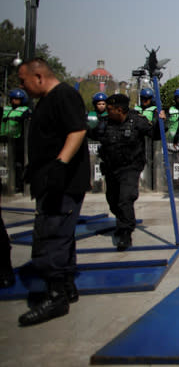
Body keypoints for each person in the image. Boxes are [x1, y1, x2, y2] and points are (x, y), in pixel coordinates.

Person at [17, 58, 90, 326]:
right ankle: (67, 286)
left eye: (23, 81)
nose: (21, 87)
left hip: (62, 183)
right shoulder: (46, 100)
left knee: (51, 237)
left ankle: (55, 295)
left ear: (38, 76)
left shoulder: (64, 96)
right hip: (49, 180)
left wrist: (60, 164)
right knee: (60, 235)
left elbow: (78, 130)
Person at [88, 94, 160, 251]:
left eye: (110, 109)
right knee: (113, 201)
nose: (107, 111)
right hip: (111, 167)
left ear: (119, 110)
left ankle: (125, 232)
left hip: (131, 166)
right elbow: (92, 134)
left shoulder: (137, 121)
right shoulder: (104, 123)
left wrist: (162, 122)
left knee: (125, 198)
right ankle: (125, 219)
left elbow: (155, 135)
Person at [2, 88, 31, 193]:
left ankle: (20, 185)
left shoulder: (25, 110)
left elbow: (28, 120)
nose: (14, 101)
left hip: (20, 141)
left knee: (19, 164)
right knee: (8, 164)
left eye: (17, 99)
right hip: (6, 139)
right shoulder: (6, 109)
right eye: (12, 99)